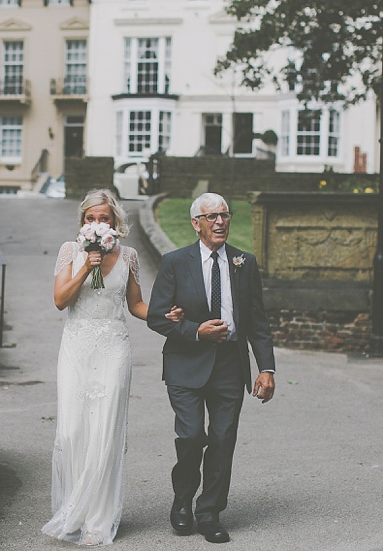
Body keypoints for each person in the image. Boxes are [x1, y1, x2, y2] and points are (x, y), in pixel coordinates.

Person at [43, 188, 181, 547]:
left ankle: (98, 519)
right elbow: (60, 300)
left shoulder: (129, 256)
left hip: (113, 348)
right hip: (76, 345)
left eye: (104, 218)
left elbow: (135, 304)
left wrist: (164, 314)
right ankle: (75, 509)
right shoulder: (70, 252)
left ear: (115, 222)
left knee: (104, 433)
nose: (97, 223)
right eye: (91, 218)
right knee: (73, 431)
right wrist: (86, 267)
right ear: (83, 223)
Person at [146, 192, 276, 544]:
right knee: (190, 436)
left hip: (230, 365)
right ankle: (183, 498)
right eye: (212, 216)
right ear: (196, 224)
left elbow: (258, 321)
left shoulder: (244, 262)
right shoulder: (175, 261)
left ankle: (209, 513)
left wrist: (267, 368)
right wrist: (195, 331)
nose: (220, 221)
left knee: (222, 439)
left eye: (225, 214)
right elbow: (157, 316)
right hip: (186, 363)